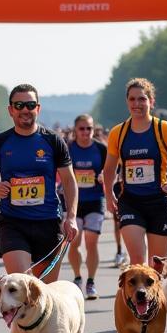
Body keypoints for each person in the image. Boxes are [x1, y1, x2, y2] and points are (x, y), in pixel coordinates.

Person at [0, 84, 77, 282]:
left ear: (38, 108)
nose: (25, 109)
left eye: (30, 105)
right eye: (19, 105)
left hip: (48, 223)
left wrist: (72, 217)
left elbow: (69, 180)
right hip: (13, 223)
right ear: (11, 110)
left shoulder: (53, 141)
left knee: (45, 294)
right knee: (21, 285)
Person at [102, 77, 167, 266]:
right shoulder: (118, 133)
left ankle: (156, 296)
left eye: (142, 99)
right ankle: (136, 295)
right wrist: (109, 195)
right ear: (127, 102)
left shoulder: (164, 129)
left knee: (157, 264)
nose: (137, 104)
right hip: (131, 202)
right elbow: (109, 168)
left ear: (151, 101)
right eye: (132, 99)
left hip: (159, 202)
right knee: (137, 261)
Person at [67, 113, 108, 299]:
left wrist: (104, 177)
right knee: (74, 242)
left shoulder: (101, 149)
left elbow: (112, 170)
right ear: (75, 130)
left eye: (89, 128)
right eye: (82, 129)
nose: (85, 132)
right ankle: (77, 278)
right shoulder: (68, 149)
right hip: (73, 202)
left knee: (91, 242)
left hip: (95, 200)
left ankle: (90, 281)